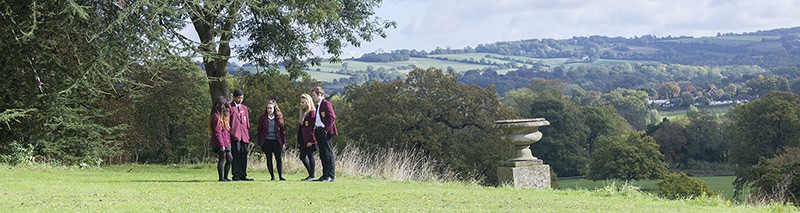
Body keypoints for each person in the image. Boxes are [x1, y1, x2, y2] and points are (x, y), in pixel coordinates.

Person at [311, 86, 338, 182]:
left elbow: (332, 117)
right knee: (322, 154)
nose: (313, 97)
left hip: (325, 131)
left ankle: (330, 175)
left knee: (328, 153)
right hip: (318, 130)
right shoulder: (318, 105)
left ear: (320, 94)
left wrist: (326, 129)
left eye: (314, 95)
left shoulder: (326, 104)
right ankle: (324, 174)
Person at [257, 100, 287, 181]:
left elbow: (282, 131)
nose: (269, 110)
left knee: (278, 159)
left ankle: (280, 176)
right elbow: (259, 130)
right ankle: (272, 176)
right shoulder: (263, 118)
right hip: (267, 141)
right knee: (269, 158)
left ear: (274, 108)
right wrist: (260, 142)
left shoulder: (279, 117)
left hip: (277, 140)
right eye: (267, 108)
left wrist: (283, 141)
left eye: (270, 108)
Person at [229, 88, 253, 181]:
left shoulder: (244, 108)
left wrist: (247, 133)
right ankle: (236, 175)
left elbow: (247, 123)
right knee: (236, 155)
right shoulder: (230, 107)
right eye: (238, 98)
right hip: (235, 135)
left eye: (242, 98)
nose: (240, 100)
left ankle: (243, 174)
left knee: (244, 154)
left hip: (244, 135)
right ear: (234, 97)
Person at [210, 96, 233, 182]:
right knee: (222, 158)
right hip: (220, 142)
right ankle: (221, 177)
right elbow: (217, 132)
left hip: (226, 141)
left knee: (230, 159)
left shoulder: (224, 116)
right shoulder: (216, 117)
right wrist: (221, 145)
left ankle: (226, 176)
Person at [298, 94, 318, 181]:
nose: (301, 104)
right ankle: (311, 174)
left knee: (310, 155)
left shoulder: (312, 113)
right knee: (302, 156)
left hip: (309, 139)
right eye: (301, 102)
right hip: (303, 138)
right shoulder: (304, 113)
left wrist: (312, 140)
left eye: (303, 102)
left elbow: (313, 128)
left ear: (308, 102)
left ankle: (312, 175)